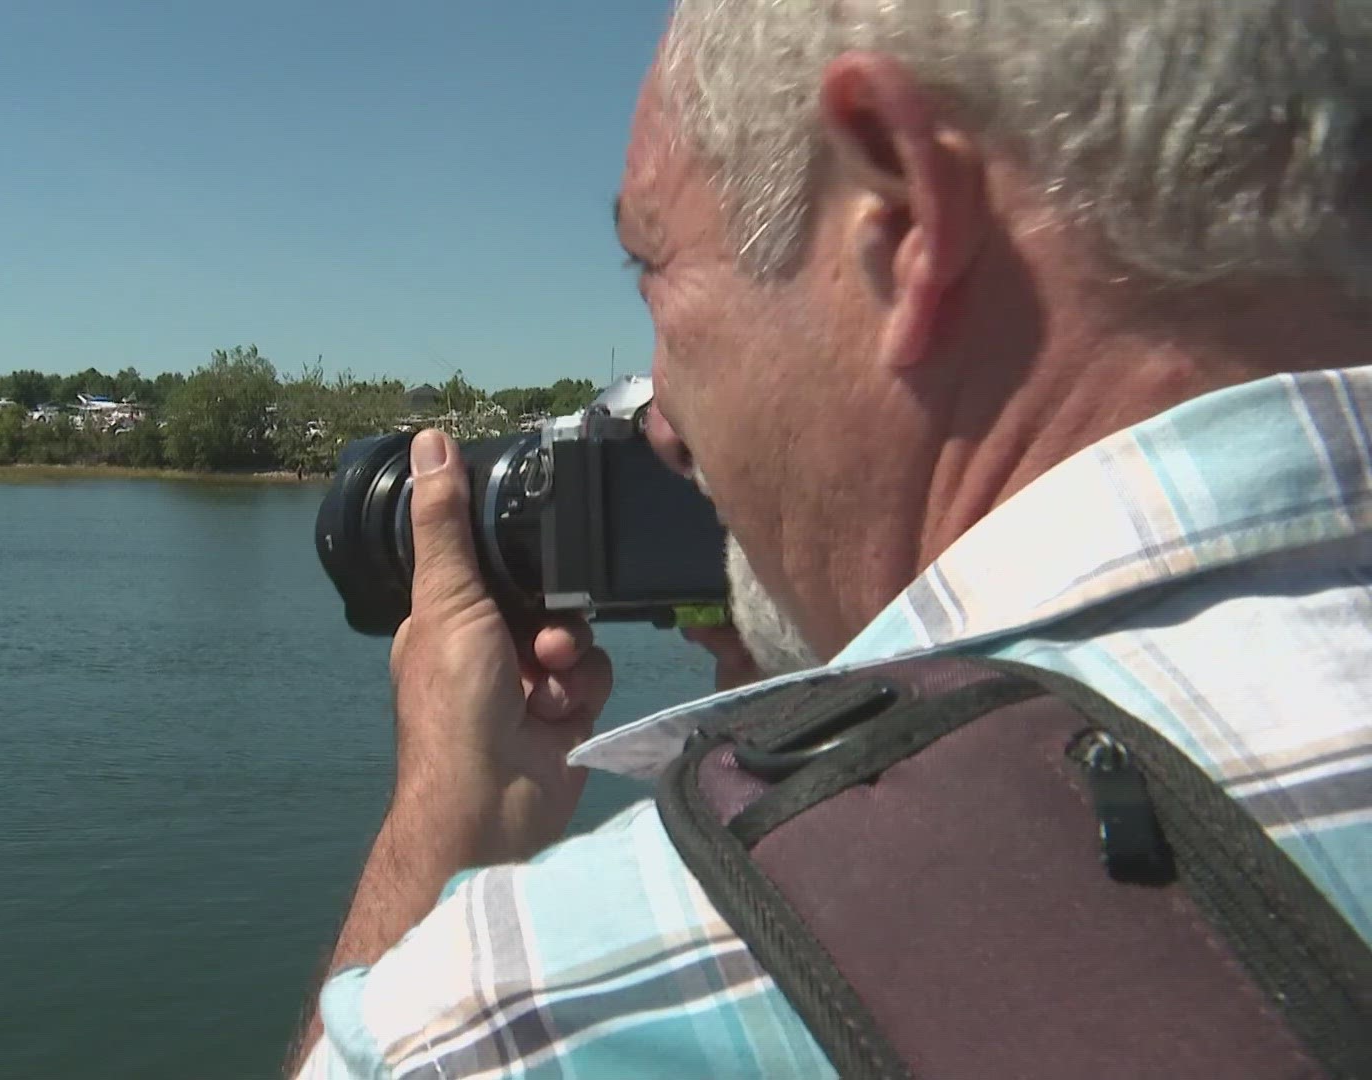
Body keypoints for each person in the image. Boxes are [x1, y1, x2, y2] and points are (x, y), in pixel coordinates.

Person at [287, 1, 1372, 1075]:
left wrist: (450, 812)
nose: (659, 419)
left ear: (900, 218)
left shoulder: (544, 1015)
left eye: (652, 266)